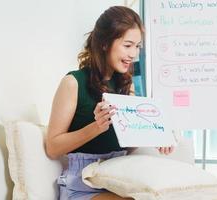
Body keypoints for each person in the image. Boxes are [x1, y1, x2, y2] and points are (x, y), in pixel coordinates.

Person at [45, 6, 174, 200]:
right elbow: (53, 148)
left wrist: (154, 134)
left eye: (137, 46)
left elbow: (126, 146)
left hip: (118, 179)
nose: (134, 55)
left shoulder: (125, 86)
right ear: (105, 43)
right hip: (82, 185)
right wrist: (96, 127)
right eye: (128, 45)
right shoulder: (73, 83)